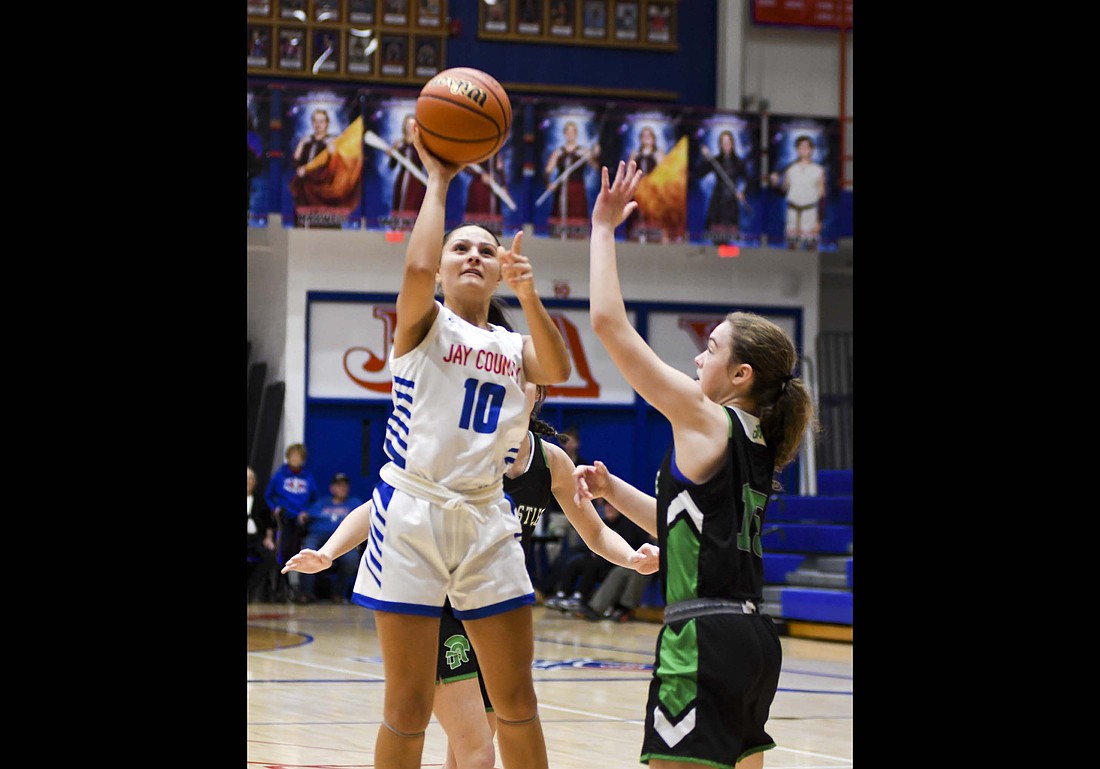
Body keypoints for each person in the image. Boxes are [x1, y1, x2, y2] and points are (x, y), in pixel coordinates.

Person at [284, 120, 573, 769]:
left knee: (515, 697)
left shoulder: (510, 346)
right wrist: (438, 178)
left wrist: (528, 292)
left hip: (483, 513)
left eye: (486, 249)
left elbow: (554, 367)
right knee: (409, 705)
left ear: (501, 266)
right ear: (441, 268)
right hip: (411, 511)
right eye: (460, 247)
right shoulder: (422, 326)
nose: (473, 254)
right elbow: (414, 263)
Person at [572, 159, 818, 769]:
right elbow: (687, 530)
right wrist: (613, 493)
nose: (697, 358)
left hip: (702, 639)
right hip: (756, 641)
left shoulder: (708, 419)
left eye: (709, 348)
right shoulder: (758, 440)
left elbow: (608, 325)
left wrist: (602, 228)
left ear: (741, 375)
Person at [433, 377, 660, 769]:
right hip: (441, 604)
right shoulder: (464, 448)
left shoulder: (551, 460)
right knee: (477, 752)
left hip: (496, 610)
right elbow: (387, 503)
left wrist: (630, 557)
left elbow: (595, 531)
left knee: (472, 747)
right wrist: (332, 550)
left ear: (540, 394)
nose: (517, 387)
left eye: (528, 382)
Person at [542, 498, 649, 614]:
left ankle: (580, 596)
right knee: (575, 561)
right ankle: (562, 593)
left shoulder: (628, 525)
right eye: (606, 506)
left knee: (592, 565)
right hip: (600, 558)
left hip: (615, 562)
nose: (609, 509)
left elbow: (632, 546)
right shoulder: (604, 523)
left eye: (612, 506)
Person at [296, 472, 365, 604]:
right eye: (339, 485)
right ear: (332, 488)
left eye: (345, 486)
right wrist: (302, 517)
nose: (342, 488)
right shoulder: (321, 503)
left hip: (343, 538)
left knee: (351, 559)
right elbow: (305, 517)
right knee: (307, 551)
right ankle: (306, 593)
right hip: (318, 536)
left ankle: (337, 594)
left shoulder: (354, 503)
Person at [264, 442, 320, 601]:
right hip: (284, 519)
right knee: (284, 551)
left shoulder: (308, 477)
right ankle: (283, 587)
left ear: (303, 459)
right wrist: (275, 509)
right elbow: (268, 496)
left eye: (299, 456)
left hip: (301, 520)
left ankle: (300, 589)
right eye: (292, 455)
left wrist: (306, 512)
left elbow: (315, 500)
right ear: (288, 457)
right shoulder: (279, 475)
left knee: (301, 551)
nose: (295, 459)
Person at [768, 134, 825, 250]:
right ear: (797, 149)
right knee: (792, 248)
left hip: (810, 214)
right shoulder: (790, 169)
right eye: (801, 147)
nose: (804, 150)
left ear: (811, 150)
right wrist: (775, 184)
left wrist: (820, 221)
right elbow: (784, 192)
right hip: (793, 213)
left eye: (806, 147)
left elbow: (822, 197)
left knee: (811, 248)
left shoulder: (818, 170)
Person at [697, 130, 749, 243]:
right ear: (720, 144)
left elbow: (747, 180)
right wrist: (705, 158)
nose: (726, 145)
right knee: (717, 239)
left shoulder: (739, 162)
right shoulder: (715, 160)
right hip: (718, 202)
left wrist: (743, 192)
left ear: (732, 143)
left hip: (731, 202)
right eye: (723, 142)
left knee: (730, 241)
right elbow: (699, 173)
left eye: (728, 142)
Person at [543, 121, 600, 223]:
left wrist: (594, 156)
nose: (570, 135)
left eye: (572, 132)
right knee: (560, 215)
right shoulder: (558, 152)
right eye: (568, 132)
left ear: (576, 134)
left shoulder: (583, 152)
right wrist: (548, 183)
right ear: (565, 134)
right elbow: (548, 169)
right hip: (562, 189)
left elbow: (595, 167)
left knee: (577, 218)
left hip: (577, 188)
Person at [626, 125, 665, 241]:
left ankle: (653, 237)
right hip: (638, 189)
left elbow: (665, 171)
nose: (646, 138)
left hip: (653, 190)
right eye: (644, 136)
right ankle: (636, 236)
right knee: (636, 214)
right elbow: (628, 171)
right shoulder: (636, 153)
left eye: (649, 136)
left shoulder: (659, 153)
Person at [247, 466, 278, 604]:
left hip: (256, 538)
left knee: (270, 555)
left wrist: (269, 538)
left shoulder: (260, 501)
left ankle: (250, 588)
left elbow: (269, 524)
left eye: (251, 478)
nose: (248, 481)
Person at [390, 113, 427, 214]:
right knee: (399, 205)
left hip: (416, 182)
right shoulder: (400, 144)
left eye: (412, 125)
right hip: (402, 180)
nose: (409, 127)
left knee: (413, 207)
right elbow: (392, 166)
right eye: (407, 125)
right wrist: (393, 152)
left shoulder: (421, 144)